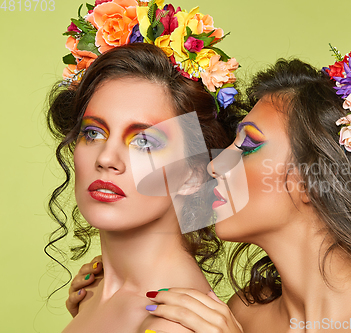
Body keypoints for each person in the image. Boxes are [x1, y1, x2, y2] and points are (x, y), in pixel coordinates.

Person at [66, 32, 351, 333]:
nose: (215, 166)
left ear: (316, 179)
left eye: (248, 146)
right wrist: (110, 299)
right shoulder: (244, 313)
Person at [45, 2, 243, 332]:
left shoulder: (171, 324)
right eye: (93, 133)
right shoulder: (94, 291)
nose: (106, 159)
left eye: (145, 142)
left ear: (194, 174)